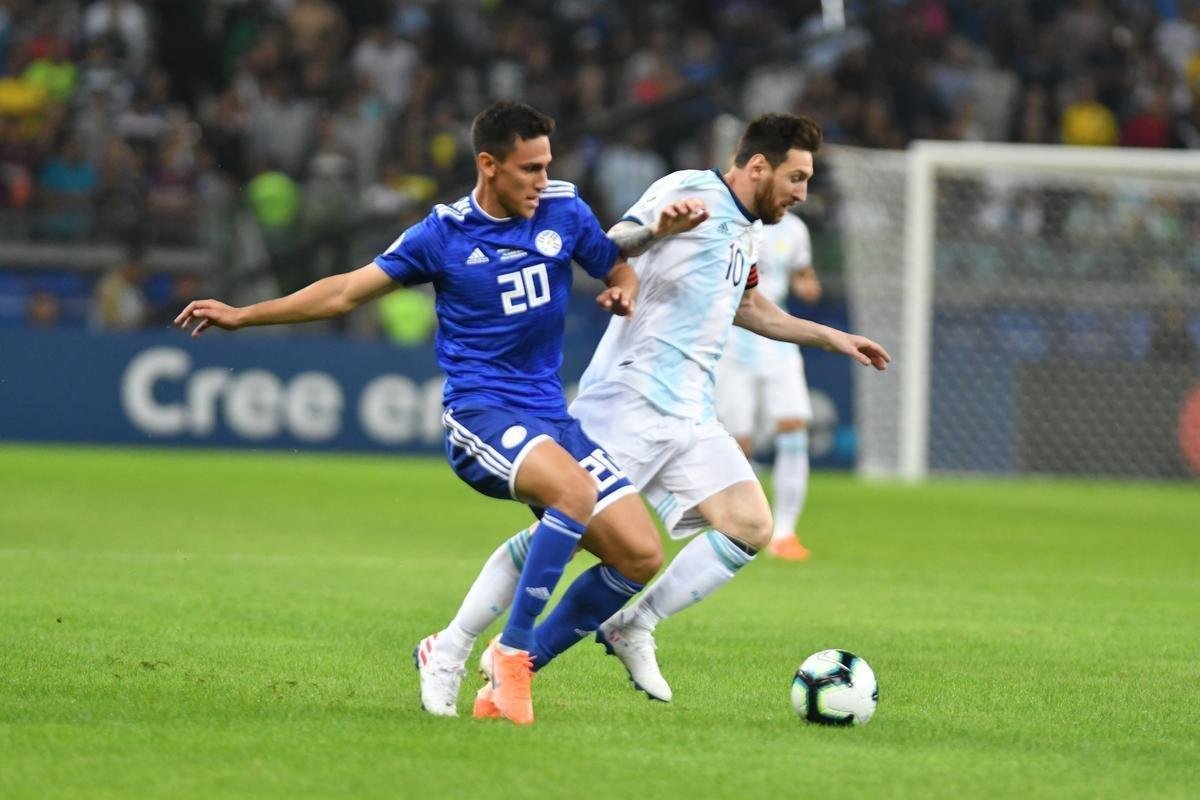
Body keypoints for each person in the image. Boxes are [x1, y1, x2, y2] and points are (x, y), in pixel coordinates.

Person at [175, 101, 706, 725]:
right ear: (488, 165)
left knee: (639, 555)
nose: (542, 180)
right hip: (480, 411)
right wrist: (244, 314)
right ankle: (511, 655)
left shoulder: (564, 208)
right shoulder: (443, 234)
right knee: (573, 492)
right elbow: (346, 290)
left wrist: (624, 287)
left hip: (549, 415)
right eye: (528, 169)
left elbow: (613, 263)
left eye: (546, 166)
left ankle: (447, 647)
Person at [433, 113, 889, 709]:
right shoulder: (687, 190)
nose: (802, 193)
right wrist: (659, 231)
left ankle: (629, 626)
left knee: (751, 526)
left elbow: (750, 307)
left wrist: (834, 337)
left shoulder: (746, 229)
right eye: (796, 177)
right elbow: (606, 245)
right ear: (758, 167)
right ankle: (453, 643)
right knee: (561, 539)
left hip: (689, 413)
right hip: (628, 401)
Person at [713, 209, 821, 561]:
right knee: (738, 442)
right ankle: (740, 524)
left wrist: (807, 286)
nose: (797, 193)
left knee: (794, 427)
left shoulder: (795, 229)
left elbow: (804, 275)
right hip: (733, 343)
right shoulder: (729, 220)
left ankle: (786, 532)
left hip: (779, 341)